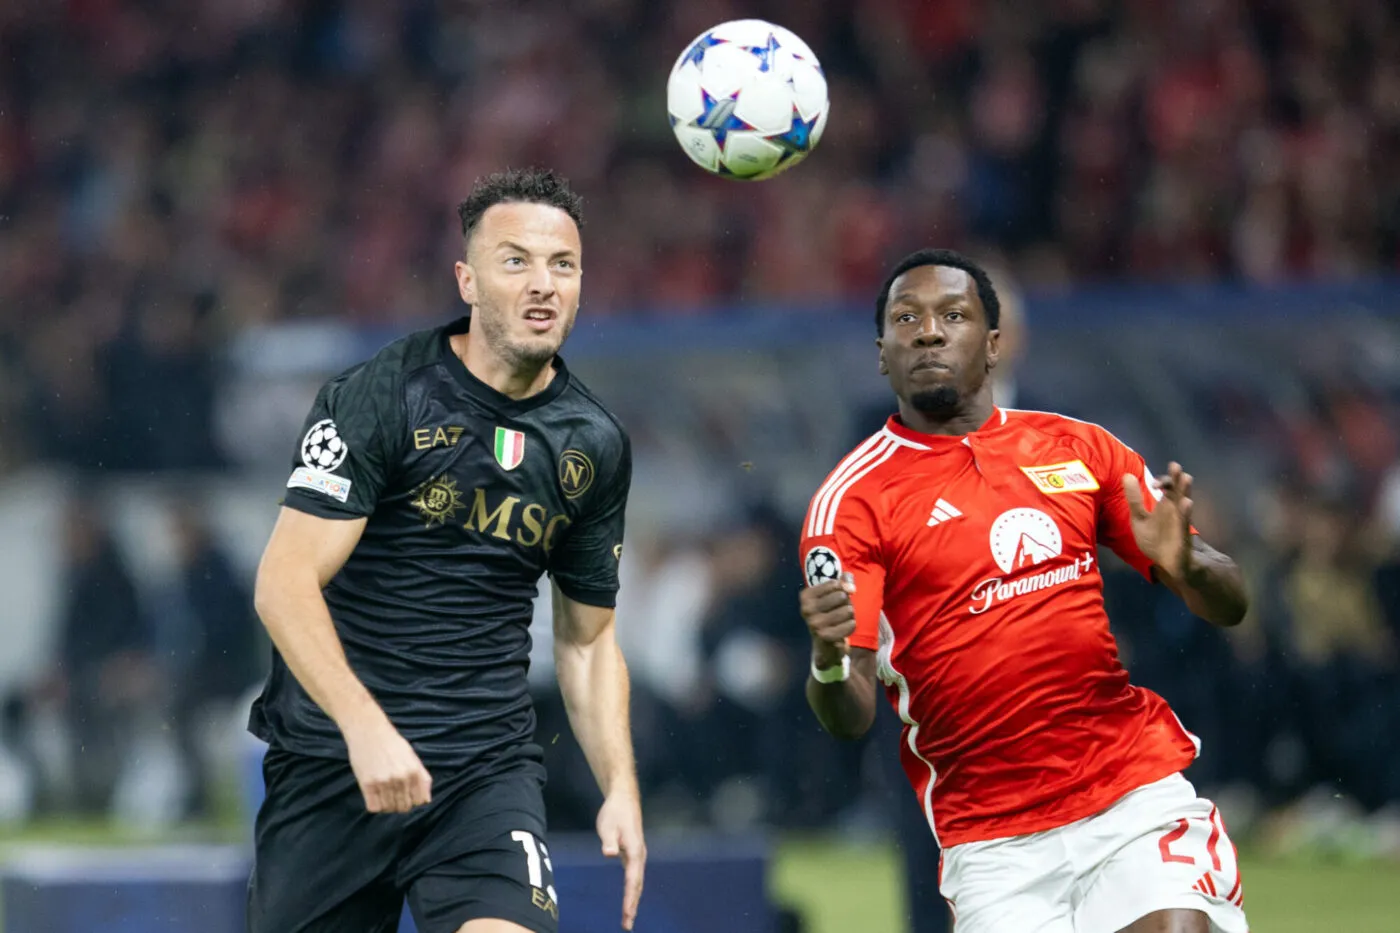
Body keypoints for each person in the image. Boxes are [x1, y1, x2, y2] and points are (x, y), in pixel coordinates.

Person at [797, 249, 1250, 933]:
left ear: (995, 343)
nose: (928, 331)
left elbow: (1232, 601)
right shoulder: (851, 502)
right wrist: (829, 658)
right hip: (993, 841)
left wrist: (1190, 567)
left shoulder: (1080, 448)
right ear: (881, 354)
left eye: (953, 314)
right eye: (905, 318)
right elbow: (849, 711)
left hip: (1128, 791)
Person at [246, 168, 646, 933]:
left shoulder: (593, 443)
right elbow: (284, 581)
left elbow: (588, 642)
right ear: (467, 278)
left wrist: (620, 786)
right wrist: (366, 728)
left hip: (481, 773)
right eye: (516, 260)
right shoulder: (384, 394)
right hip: (334, 766)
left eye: (562, 265)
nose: (542, 284)